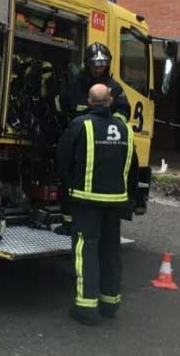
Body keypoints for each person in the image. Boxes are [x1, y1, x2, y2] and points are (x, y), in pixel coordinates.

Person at [55, 83, 139, 326]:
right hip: (115, 203)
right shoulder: (126, 130)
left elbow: (62, 160)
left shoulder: (80, 125)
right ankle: (110, 303)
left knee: (86, 251)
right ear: (110, 100)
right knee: (111, 251)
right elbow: (133, 170)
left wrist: (69, 188)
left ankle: (85, 307)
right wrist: (128, 197)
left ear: (90, 102)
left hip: (86, 202)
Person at [56, 43, 143, 230]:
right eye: (95, 63)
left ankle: (126, 204)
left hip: (103, 145)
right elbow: (64, 107)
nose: (99, 67)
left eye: (103, 63)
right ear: (87, 63)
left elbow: (122, 113)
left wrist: (104, 125)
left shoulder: (114, 88)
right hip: (79, 142)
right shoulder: (75, 85)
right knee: (68, 176)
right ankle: (68, 222)